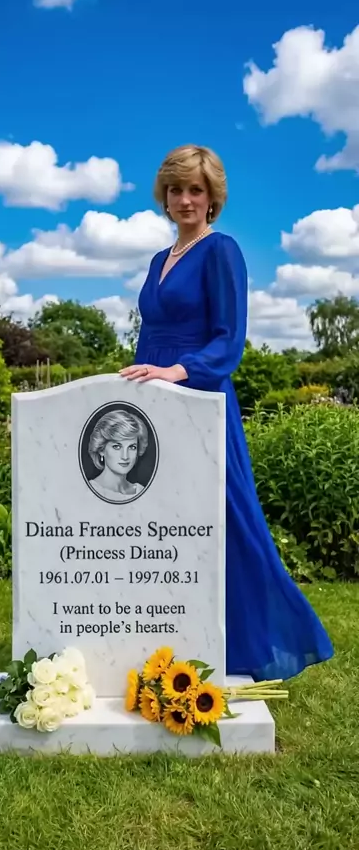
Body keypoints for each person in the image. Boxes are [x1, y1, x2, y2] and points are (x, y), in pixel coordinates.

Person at [119, 144, 333, 681]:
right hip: (156, 399)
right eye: (176, 189)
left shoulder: (222, 251)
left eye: (196, 190)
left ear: (212, 197)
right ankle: (166, 630)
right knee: (160, 518)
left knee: (225, 518)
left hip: (201, 393)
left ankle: (251, 642)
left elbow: (229, 339)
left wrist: (179, 371)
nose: (185, 199)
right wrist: (141, 384)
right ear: (164, 196)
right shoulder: (158, 259)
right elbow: (151, 333)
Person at [87, 409, 148, 502]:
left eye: (132, 447)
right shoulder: (88, 491)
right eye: (117, 447)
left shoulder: (141, 491)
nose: (125, 456)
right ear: (101, 449)